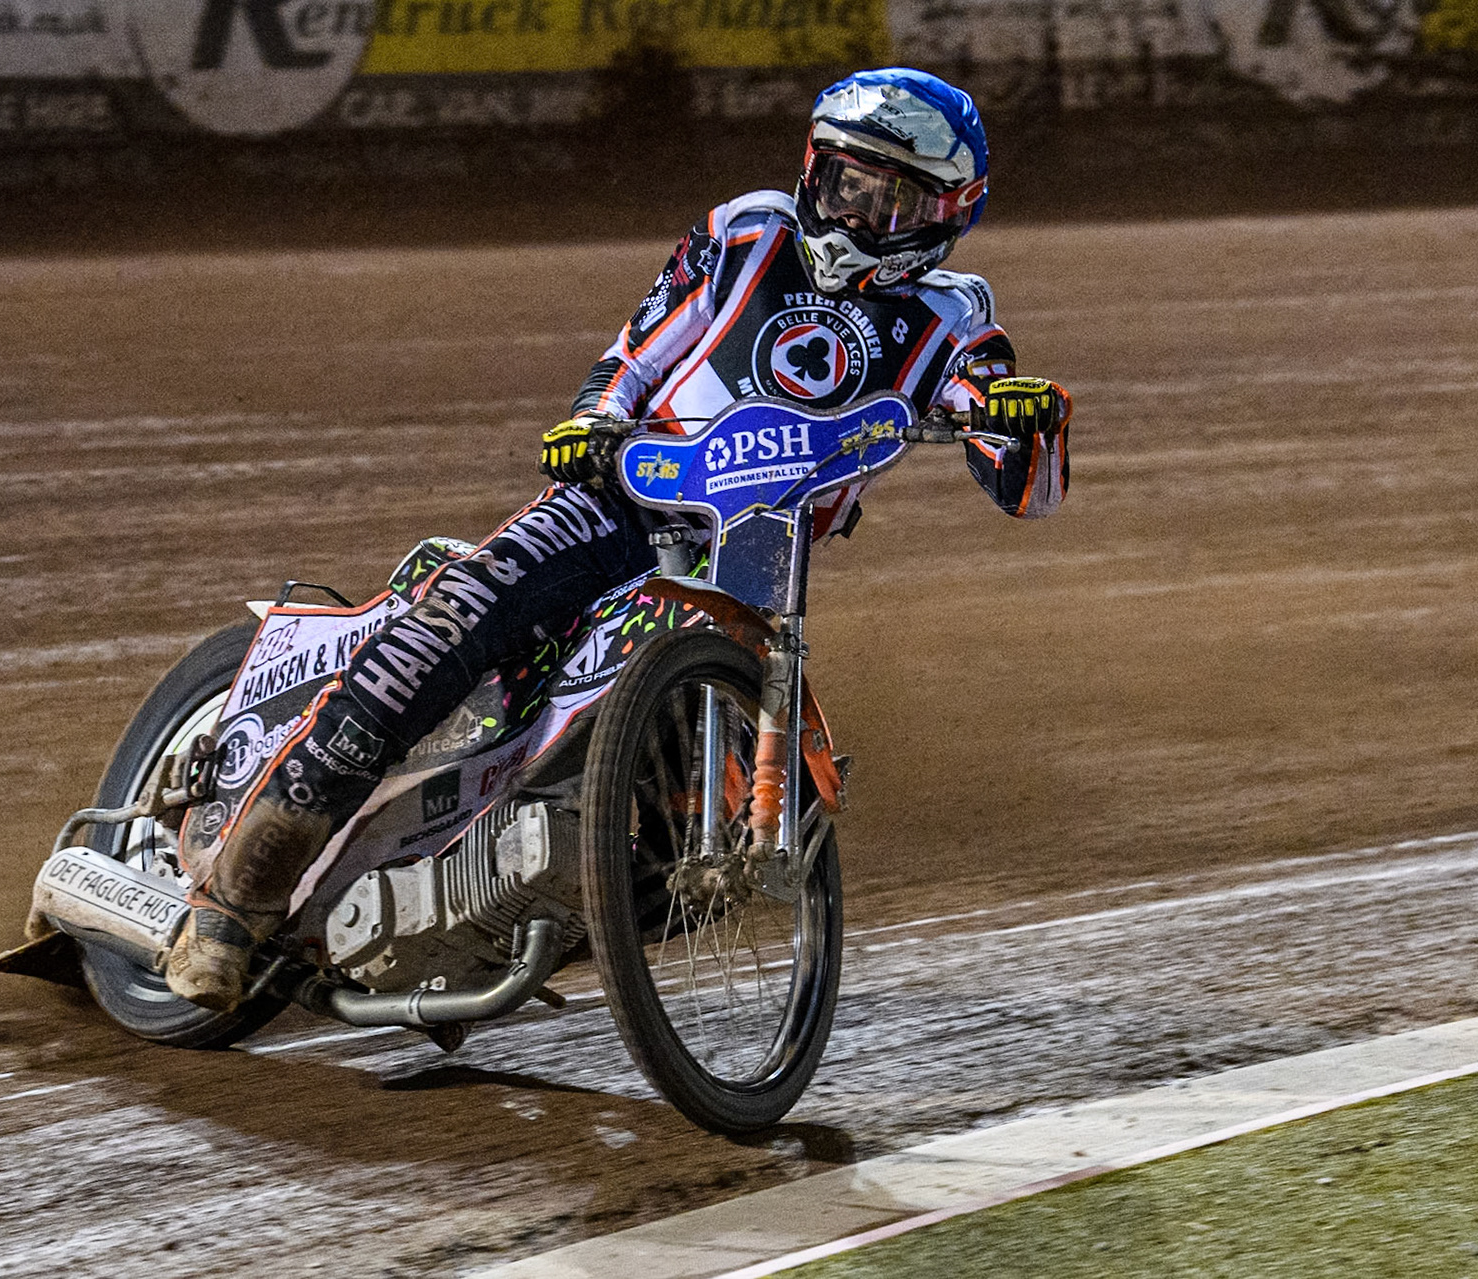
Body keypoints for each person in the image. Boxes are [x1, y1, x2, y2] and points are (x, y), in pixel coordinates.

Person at [164, 66, 1074, 1011]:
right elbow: (639, 348)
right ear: (816, 168)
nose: (859, 216)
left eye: (894, 201)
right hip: (624, 501)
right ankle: (234, 902)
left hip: (755, 547)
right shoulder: (751, 230)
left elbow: (1011, 457)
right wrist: (596, 417)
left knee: (716, 783)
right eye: (849, 183)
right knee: (453, 622)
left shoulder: (953, 315)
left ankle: (541, 895)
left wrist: (1014, 417)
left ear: (950, 213)